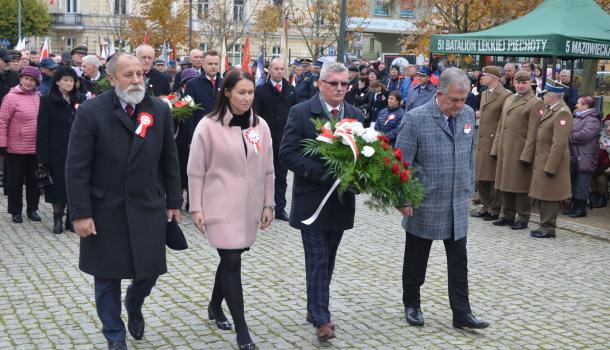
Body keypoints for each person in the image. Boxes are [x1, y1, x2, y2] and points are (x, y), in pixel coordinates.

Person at [65, 53, 182, 350]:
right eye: (128, 75)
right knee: (106, 277)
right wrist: (80, 213)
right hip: (106, 209)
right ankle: (115, 337)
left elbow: (170, 160)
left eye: (139, 74)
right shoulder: (91, 112)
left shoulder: (159, 110)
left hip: (148, 206)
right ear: (112, 78)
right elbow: (77, 166)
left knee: (150, 271)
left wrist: (173, 202)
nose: (136, 80)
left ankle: (134, 302)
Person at [394, 67, 489, 330]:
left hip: (457, 202)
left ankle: (462, 313)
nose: (459, 105)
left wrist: (469, 187)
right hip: (424, 201)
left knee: (459, 262)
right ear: (439, 94)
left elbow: (470, 154)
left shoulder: (468, 114)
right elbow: (401, 163)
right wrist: (404, 198)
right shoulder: (416, 119)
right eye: (454, 100)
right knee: (416, 259)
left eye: (463, 99)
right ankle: (411, 303)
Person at [188, 69, 274, 350]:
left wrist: (268, 203)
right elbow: (196, 170)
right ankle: (242, 331)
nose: (247, 98)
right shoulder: (208, 126)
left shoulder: (259, 126)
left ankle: (214, 305)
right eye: (241, 92)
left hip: (248, 206)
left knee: (230, 258)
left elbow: (269, 169)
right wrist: (196, 207)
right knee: (232, 260)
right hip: (220, 205)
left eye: (251, 92)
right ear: (227, 92)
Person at [279, 61, 364, 343]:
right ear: (320, 84)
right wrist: (319, 173)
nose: (340, 88)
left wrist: (361, 177)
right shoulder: (301, 112)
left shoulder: (355, 115)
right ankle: (322, 319)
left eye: (344, 84)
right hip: (312, 200)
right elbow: (287, 153)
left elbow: (363, 155)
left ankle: (315, 306)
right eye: (334, 83)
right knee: (316, 258)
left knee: (328, 258)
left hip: (340, 201)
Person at [490, 70, 543, 230]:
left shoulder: (535, 102)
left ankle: (523, 217)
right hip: (505, 149)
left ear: (530, 84)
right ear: (513, 83)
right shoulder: (509, 99)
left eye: (524, 83)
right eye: (518, 82)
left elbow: (534, 132)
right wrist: (495, 147)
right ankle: (507, 215)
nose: (520, 85)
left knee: (520, 186)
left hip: (520, 150)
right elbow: (501, 125)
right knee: (505, 183)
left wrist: (527, 155)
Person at [36, 67, 86, 233]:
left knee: (75, 183)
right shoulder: (47, 101)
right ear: (57, 82)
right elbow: (42, 130)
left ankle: (71, 219)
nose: (69, 83)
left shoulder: (80, 100)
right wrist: (42, 156)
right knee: (57, 185)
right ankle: (57, 218)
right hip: (56, 149)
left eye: (71, 80)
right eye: (65, 80)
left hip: (77, 148)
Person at [253, 58, 297, 222]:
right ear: (269, 70)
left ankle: (280, 208)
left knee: (281, 176)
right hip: (265, 139)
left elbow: (295, 115)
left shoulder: (291, 90)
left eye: (282, 68)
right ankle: (260, 206)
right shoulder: (261, 90)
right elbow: (255, 115)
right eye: (276, 68)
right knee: (261, 175)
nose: (279, 71)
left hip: (284, 140)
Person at [528, 81, 573, 238]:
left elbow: (559, 143)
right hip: (543, 159)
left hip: (551, 161)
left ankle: (548, 228)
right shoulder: (551, 109)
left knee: (549, 196)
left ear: (552, 96)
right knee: (543, 193)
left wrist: (550, 166)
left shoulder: (562, 113)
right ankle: (544, 225)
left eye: (545, 95)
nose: (543, 98)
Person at [0, 66, 42, 223]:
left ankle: (32, 209)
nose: (29, 82)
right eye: (26, 79)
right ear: (21, 79)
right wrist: (2, 144)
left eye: (32, 80)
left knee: (34, 182)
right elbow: (2, 121)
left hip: (34, 147)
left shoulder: (38, 96)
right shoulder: (11, 97)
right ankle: (15, 211)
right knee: (15, 182)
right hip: (16, 148)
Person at [471, 66, 511, 221]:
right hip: (482, 139)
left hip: (495, 140)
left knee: (493, 176)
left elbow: (504, 120)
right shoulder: (485, 93)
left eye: (485, 75)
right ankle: (486, 205)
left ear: (494, 77)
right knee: (481, 175)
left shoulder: (506, 95)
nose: (481, 77)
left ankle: (495, 208)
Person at [565, 95, 601, 217]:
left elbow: (584, 135)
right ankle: (574, 207)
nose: (576, 105)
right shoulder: (578, 116)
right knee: (576, 182)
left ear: (586, 105)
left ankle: (581, 209)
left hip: (585, 157)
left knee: (582, 183)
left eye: (579, 103)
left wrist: (568, 136)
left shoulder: (592, 119)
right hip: (576, 155)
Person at [173, 68, 199, 210]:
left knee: (192, 169)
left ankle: (191, 199)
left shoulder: (194, 96)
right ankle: (178, 198)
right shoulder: (175, 96)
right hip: (178, 139)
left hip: (192, 137)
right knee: (178, 169)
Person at [184, 50, 222, 130]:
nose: (213, 66)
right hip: (200, 129)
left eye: (216, 64)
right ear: (203, 65)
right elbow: (188, 113)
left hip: (220, 129)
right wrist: (191, 138)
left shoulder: (225, 83)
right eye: (210, 64)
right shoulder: (192, 84)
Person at [591, 115, 610, 207]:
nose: (608, 128)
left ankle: (603, 197)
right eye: (606, 126)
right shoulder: (601, 136)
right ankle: (595, 195)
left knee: (601, 174)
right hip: (602, 163)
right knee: (591, 171)